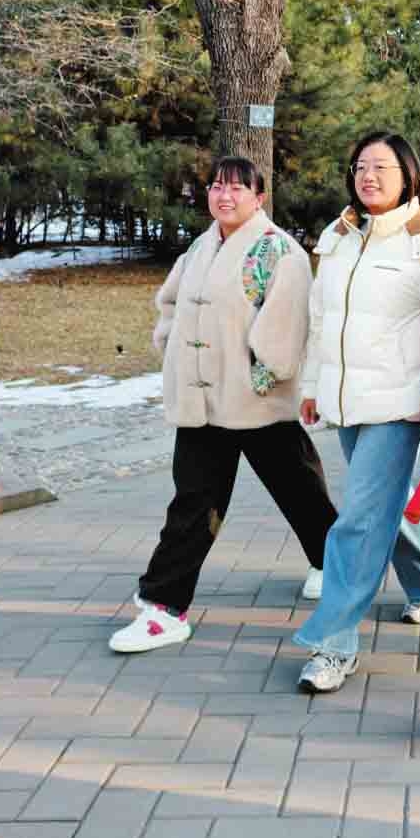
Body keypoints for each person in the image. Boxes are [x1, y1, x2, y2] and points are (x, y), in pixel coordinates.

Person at [111, 156, 337, 654]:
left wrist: (260, 377)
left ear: (260, 197)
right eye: (217, 186)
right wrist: (170, 342)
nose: (225, 196)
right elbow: (170, 301)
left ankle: (336, 567)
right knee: (194, 502)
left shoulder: (280, 251)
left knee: (299, 489)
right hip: (201, 402)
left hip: (256, 400)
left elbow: (286, 328)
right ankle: (164, 606)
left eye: (237, 188)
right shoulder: (202, 244)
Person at [293, 131, 420, 694]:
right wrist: (313, 385)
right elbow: (321, 319)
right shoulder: (339, 235)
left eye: (382, 167)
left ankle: (333, 644)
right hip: (347, 400)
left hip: (400, 402)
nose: (368, 176)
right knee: (381, 504)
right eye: (361, 166)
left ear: (408, 175)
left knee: (358, 521)